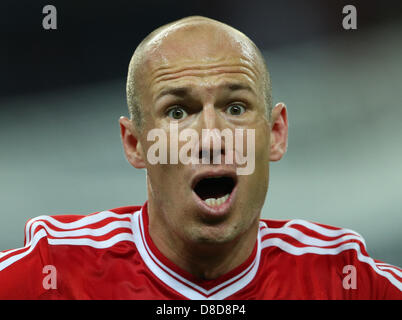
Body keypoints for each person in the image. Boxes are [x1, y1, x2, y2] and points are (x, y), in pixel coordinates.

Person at [0, 16, 400, 300]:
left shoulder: (349, 282)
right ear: (135, 144)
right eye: (178, 112)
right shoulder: (51, 274)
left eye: (237, 107)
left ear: (276, 134)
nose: (211, 136)